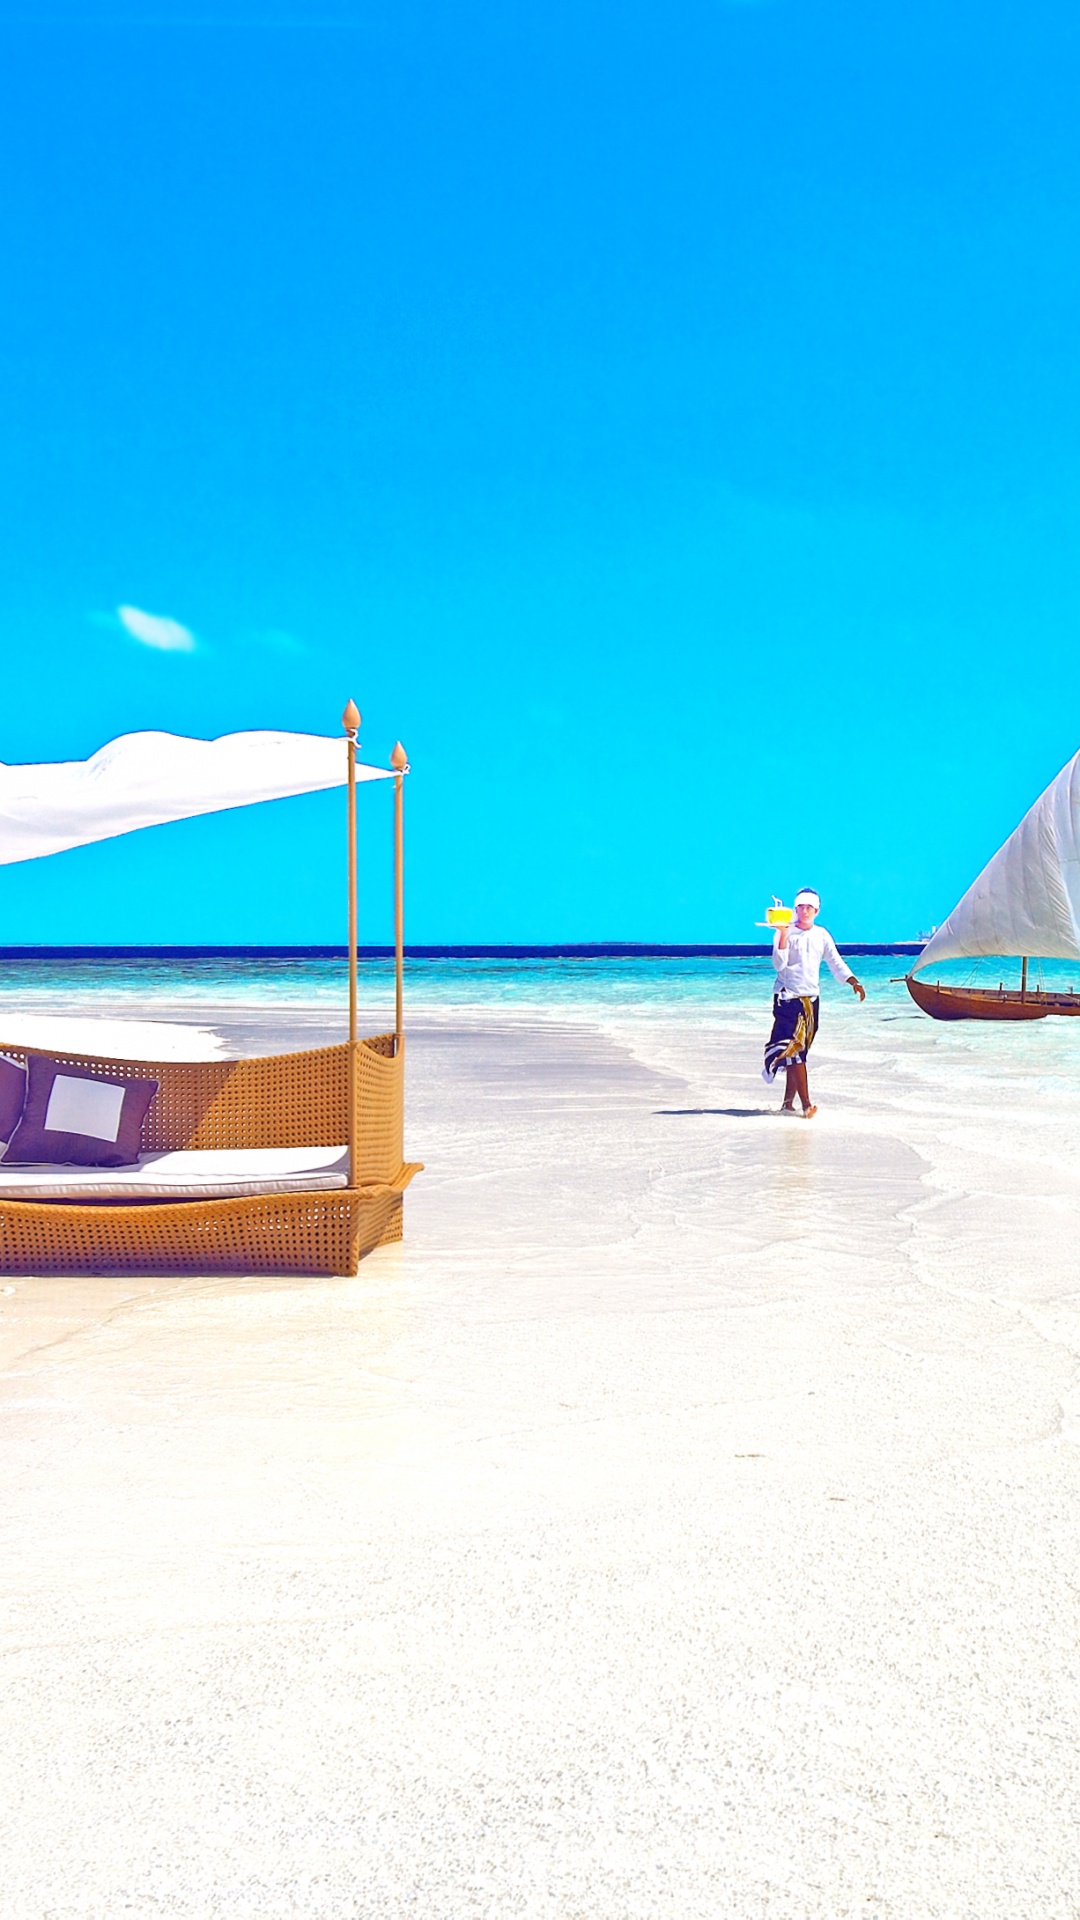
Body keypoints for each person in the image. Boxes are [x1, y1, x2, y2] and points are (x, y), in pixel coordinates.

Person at [762, 888, 865, 1117]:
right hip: (787, 998)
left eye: (809, 907)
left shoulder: (822, 934)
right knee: (795, 1051)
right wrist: (783, 935)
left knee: (797, 1053)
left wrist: (852, 981)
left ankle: (788, 1103)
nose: (804, 911)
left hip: (811, 1002)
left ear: (817, 910)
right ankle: (807, 1105)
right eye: (800, 907)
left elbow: (835, 961)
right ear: (795, 909)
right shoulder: (784, 932)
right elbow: (779, 965)